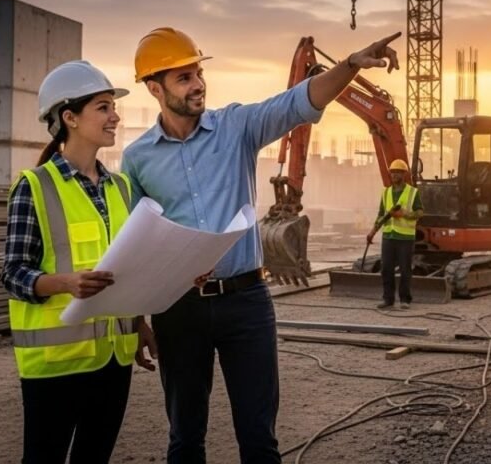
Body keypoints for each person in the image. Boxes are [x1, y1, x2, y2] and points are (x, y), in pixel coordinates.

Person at [121, 27, 400, 463]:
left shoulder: (235, 127)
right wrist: (137, 317)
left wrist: (350, 65)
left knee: (258, 439)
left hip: (245, 303)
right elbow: (137, 239)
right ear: (155, 88)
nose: (198, 85)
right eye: (184, 78)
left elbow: (297, 102)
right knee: (184, 438)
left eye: (198, 73)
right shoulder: (138, 157)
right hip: (178, 310)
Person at [1, 60, 156, 464]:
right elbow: (14, 274)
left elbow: (126, 269)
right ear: (69, 116)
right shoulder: (33, 186)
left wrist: (138, 324)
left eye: (112, 107)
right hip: (55, 365)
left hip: (113, 357)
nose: (115, 116)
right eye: (103, 107)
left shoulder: (120, 187)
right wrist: (66, 283)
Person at [366, 158, 424, 310]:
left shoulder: (412, 192)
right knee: (386, 269)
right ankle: (388, 299)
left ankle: (405, 299)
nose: (394, 175)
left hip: (405, 238)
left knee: (405, 269)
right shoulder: (386, 193)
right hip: (389, 237)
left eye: (398, 172)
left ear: (404, 174)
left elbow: (420, 212)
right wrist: (373, 231)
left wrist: (405, 214)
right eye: (393, 172)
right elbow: (381, 214)